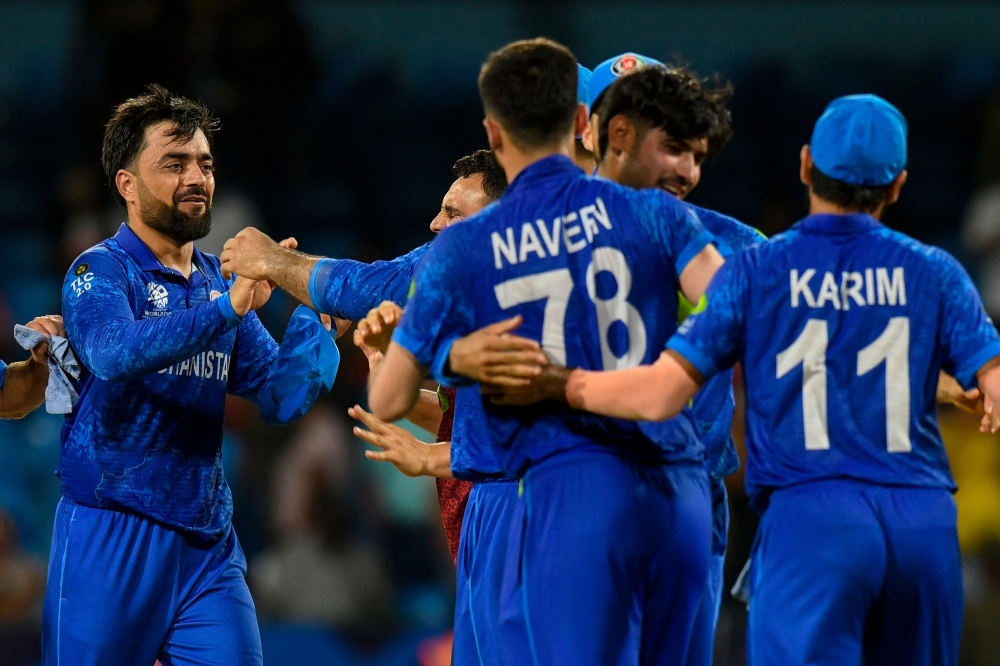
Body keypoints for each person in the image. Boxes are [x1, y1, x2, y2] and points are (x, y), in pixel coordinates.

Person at [504, 94, 1000, 666]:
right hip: (924, 526)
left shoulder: (757, 271)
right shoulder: (936, 271)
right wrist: (951, 386)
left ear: (807, 165)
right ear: (896, 186)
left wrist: (563, 383)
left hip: (813, 521)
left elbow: (661, 393)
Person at [364, 38, 724, 665]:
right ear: (583, 124)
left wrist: (451, 359)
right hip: (683, 494)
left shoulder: (466, 247)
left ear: (493, 133)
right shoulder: (658, 216)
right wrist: (669, 376)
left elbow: (389, 396)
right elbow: (735, 307)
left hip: (574, 496)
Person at [45, 84, 341, 665]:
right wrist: (229, 309)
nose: (197, 178)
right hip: (110, 535)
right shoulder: (99, 270)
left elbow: (279, 397)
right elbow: (111, 352)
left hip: (206, 546)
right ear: (126, 184)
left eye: (204, 164)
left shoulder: (215, 280)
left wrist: (315, 325)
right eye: (174, 164)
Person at [219, 149, 532, 665]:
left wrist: (272, 259)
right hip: (483, 526)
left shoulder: (499, 275)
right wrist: (401, 390)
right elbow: (471, 412)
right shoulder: (474, 270)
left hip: (519, 523)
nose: (435, 223)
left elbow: (367, 288)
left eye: (454, 213)